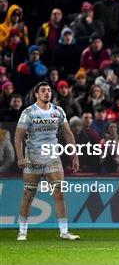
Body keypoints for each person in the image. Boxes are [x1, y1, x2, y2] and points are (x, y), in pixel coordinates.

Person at [15, 82, 80, 241]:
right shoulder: (28, 112)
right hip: (33, 158)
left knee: (59, 193)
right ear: (36, 94)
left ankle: (64, 232)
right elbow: (18, 136)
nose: (46, 93)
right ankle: (22, 232)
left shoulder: (58, 111)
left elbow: (67, 133)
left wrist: (75, 155)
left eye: (49, 90)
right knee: (28, 195)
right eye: (43, 90)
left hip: (52, 158)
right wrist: (20, 158)